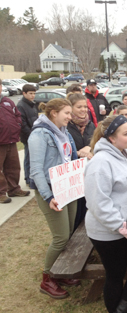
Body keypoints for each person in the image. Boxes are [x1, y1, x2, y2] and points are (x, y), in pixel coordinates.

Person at [84, 115, 127, 313]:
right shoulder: (99, 164)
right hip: (108, 232)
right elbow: (98, 205)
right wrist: (122, 228)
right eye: (126, 133)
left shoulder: (125, 153)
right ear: (111, 138)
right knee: (115, 275)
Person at [28, 98, 80, 299]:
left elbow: (68, 158)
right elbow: (36, 171)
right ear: (53, 113)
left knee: (69, 232)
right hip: (51, 191)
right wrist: (48, 196)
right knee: (60, 238)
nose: (70, 116)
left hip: (66, 187)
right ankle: (48, 277)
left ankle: (61, 271)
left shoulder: (63, 132)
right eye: (66, 113)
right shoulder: (39, 134)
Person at [66, 93, 95, 229]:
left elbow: (96, 142)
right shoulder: (65, 126)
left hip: (87, 173)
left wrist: (90, 147)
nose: (83, 109)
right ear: (70, 108)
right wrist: (77, 153)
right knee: (75, 211)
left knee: (86, 206)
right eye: (79, 107)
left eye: (85, 106)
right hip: (71, 175)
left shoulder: (89, 124)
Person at [0, 80, 30, 204]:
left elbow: (17, 115)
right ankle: (1, 193)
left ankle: (14, 189)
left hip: (11, 140)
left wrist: (17, 125)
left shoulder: (8, 101)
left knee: (13, 167)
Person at [17, 84, 39, 185]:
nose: (32, 96)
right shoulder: (21, 105)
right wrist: (31, 134)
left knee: (34, 157)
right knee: (28, 157)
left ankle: (32, 177)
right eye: (30, 93)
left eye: (34, 93)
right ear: (24, 93)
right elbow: (22, 123)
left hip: (35, 134)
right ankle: (28, 178)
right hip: (28, 136)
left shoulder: (33, 104)